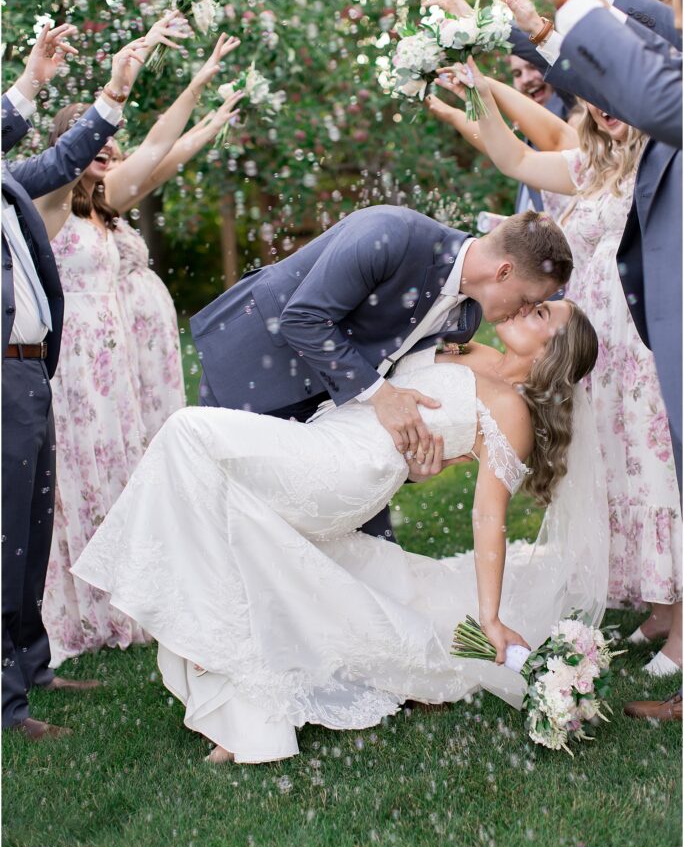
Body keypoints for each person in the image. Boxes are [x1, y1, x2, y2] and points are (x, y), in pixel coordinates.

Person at [71, 298, 602, 764]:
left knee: (187, 432)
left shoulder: (512, 412)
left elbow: (489, 514)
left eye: (541, 313)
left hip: (343, 468)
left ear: (555, 351)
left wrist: (489, 617)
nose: (526, 305)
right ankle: (246, 716)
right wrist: (421, 467)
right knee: (234, 520)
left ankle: (174, 605)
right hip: (334, 433)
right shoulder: (476, 352)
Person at [435, 56, 682, 675]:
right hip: (600, 357)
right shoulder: (596, 165)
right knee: (623, 476)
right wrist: (477, 93)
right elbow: (514, 159)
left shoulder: (666, 161)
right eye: (596, 98)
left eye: (617, 94)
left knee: (662, 481)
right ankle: (663, 606)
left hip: (646, 348)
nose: (605, 108)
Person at [490, 0, 683, 676]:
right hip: (631, 326)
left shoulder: (645, 132)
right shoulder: (606, 150)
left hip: (646, 333)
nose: (669, 24)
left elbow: (649, 77)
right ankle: (665, 609)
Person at [191, 205, 573, 540]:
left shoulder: (466, 317)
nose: (524, 311)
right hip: (256, 370)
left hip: (331, 414)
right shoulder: (391, 234)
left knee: (364, 552)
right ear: (504, 271)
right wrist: (382, 396)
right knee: (229, 524)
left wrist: (411, 470)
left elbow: (400, 377)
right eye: (528, 300)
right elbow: (303, 319)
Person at [38, 17, 223, 665]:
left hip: (116, 366)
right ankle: (92, 609)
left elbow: (157, 151)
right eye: (91, 142)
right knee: (86, 478)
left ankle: (132, 595)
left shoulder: (104, 201)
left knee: (121, 473)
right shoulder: (51, 204)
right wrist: (121, 86)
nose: (106, 152)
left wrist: (198, 89)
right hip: (79, 369)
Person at [2, 25, 140, 738]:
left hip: (31, 372)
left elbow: (62, 159)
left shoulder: (8, 183)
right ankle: (7, 705)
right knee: (5, 533)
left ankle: (34, 665)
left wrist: (113, 93)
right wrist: (26, 84)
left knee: (30, 522)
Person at [107, 66, 244, 439]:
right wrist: (197, 87)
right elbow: (154, 150)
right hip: (121, 333)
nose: (117, 162)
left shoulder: (108, 208)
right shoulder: (91, 201)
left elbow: (161, 166)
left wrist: (212, 124)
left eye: (120, 156)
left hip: (149, 337)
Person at [423, 0, 576, 216]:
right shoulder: (525, 136)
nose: (526, 79)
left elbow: (553, 61)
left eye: (531, 69)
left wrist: (477, 25)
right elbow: (504, 150)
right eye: (516, 73)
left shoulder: (579, 114)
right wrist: (453, 113)